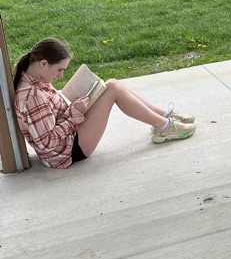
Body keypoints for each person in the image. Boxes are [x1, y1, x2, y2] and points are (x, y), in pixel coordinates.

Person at [13, 38, 196, 170]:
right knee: (112, 90)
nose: (61, 75)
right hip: (68, 151)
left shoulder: (37, 79)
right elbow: (47, 144)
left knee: (113, 83)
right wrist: (73, 114)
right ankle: (165, 127)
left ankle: (165, 116)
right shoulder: (32, 96)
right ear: (43, 63)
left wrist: (74, 109)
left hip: (71, 133)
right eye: (59, 70)